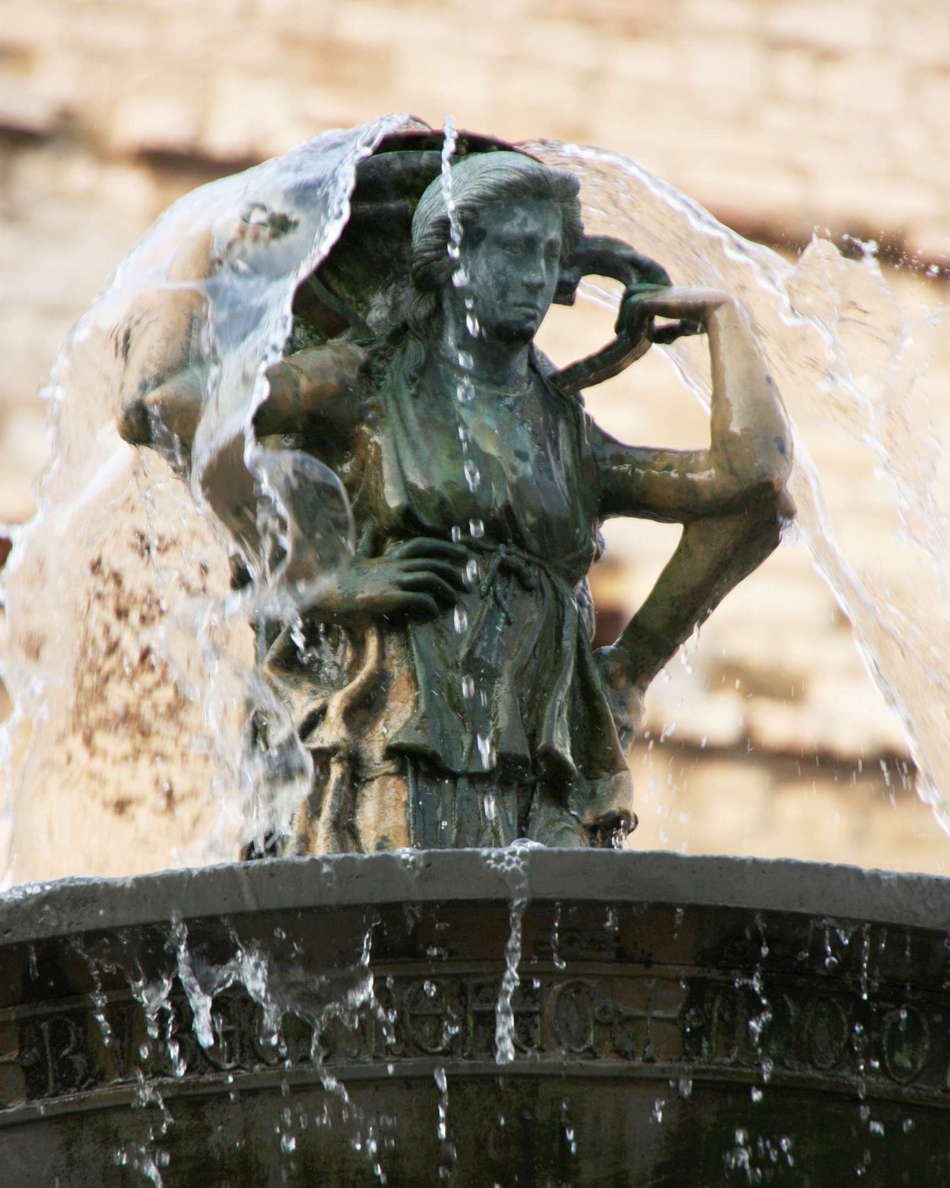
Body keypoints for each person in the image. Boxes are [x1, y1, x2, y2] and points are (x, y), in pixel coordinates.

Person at [120, 149, 793, 856]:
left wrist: (725, 321)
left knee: (551, 952)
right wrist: (197, 250)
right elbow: (160, 407)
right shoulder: (365, 380)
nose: (535, 275)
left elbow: (755, 489)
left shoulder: (565, 430)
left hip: (550, 753)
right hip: (393, 738)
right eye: (511, 249)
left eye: (548, 252)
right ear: (449, 257)